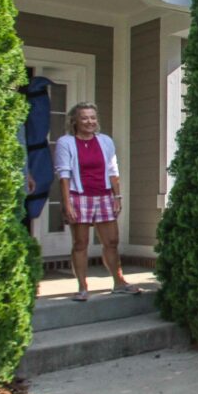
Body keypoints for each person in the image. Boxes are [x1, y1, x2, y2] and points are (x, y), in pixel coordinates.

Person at [53, 102, 143, 302]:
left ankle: (119, 282)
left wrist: (117, 196)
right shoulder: (66, 142)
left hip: (103, 196)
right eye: (84, 118)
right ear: (75, 121)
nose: (89, 121)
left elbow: (113, 171)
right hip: (79, 196)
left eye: (93, 117)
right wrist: (67, 204)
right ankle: (82, 287)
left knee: (111, 242)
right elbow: (64, 175)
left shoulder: (105, 141)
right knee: (80, 243)